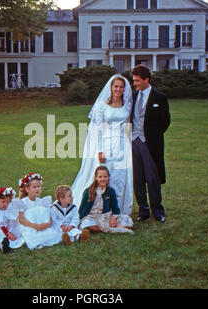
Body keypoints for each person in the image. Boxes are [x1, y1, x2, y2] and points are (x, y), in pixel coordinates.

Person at [71, 74, 133, 216]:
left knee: (120, 178)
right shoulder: (101, 106)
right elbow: (97, 130)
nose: (118, 89)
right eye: (116, 86)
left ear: (124, 89)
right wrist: (100, 150)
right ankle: (97, 209)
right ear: (111, 88)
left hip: (122, 147)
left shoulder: (127, 106)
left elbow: (128, 127)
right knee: (103, 177)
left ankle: (117, 210)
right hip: (106, 145)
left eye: (121, 87)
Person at [130, 64, 171, 223]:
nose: (135, 84)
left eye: (137, 81)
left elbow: (165, 122)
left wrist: (152, 136)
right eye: (134, 81)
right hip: (134, 142)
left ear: (147, 79)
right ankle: (143, 211)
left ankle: (158, 211)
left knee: (153, 178)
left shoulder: (159, 97)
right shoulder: (132, 97)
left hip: (150, 144)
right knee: (138, 179)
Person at [13, 172, 63, 250]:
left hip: (42, 226)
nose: (37, 189)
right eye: (34, 187)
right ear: (27, 189)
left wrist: (48, 224)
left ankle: (44, 236)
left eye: (39, 186)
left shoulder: (41, 201)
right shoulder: (23, 202)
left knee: (53, 232)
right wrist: (34, 226)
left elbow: (47, 215)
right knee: (31, 236)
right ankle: (37, 238)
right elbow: (21, 219)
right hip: (30, 226)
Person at [78, 166, 134, 234]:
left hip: (104, 216)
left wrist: (113, 218)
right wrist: (79, 220)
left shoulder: (110, 191)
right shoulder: (88, 191)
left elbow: (115, 208)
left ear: (108, 177)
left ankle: (103, 229)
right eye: (100, 177)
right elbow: (81, 208)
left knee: (127, 219)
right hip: (91, 217)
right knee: (86, 224)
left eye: (105, 176)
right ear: (96, 178)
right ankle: (109, 229)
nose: (103, 179)